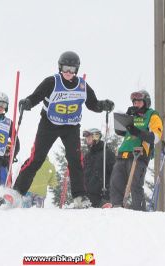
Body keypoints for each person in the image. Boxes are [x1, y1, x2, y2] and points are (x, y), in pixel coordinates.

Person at [13, 51, 114, 208]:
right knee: (37, 158)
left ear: (77, 70)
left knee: (75, 160)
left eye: (72, 69)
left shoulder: (82, 86)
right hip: (49, 124)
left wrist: (103, 105)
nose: (68, 72)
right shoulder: (52, 82)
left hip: (71, 127)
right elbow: (36, 97)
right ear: (60, 67)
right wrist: (27, 102)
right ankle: (17, 192)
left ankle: (80, 196)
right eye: (66, 68)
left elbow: (92, 104)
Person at [109, 90, 163, 210]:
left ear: (146, 102)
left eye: (139, 101)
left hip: (139, 154)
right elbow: (120, 132)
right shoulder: (133, 115)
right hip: (123, 153)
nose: (136, 104)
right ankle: (117, 209)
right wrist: (126, 119)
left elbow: (156, 137)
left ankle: (139, 212)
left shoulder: (152, 115)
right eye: (134, 102)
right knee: (116, 183)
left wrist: (137, 131)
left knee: (135, 185)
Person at [83, 128, 115, 207]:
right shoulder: (88, 155)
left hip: (103, 196)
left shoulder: (107, 153)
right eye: (87, 139)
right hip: (89, 196)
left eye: (89, 138)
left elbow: (114, 175)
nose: (87, 141)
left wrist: (109, 193)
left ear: (96, 137)